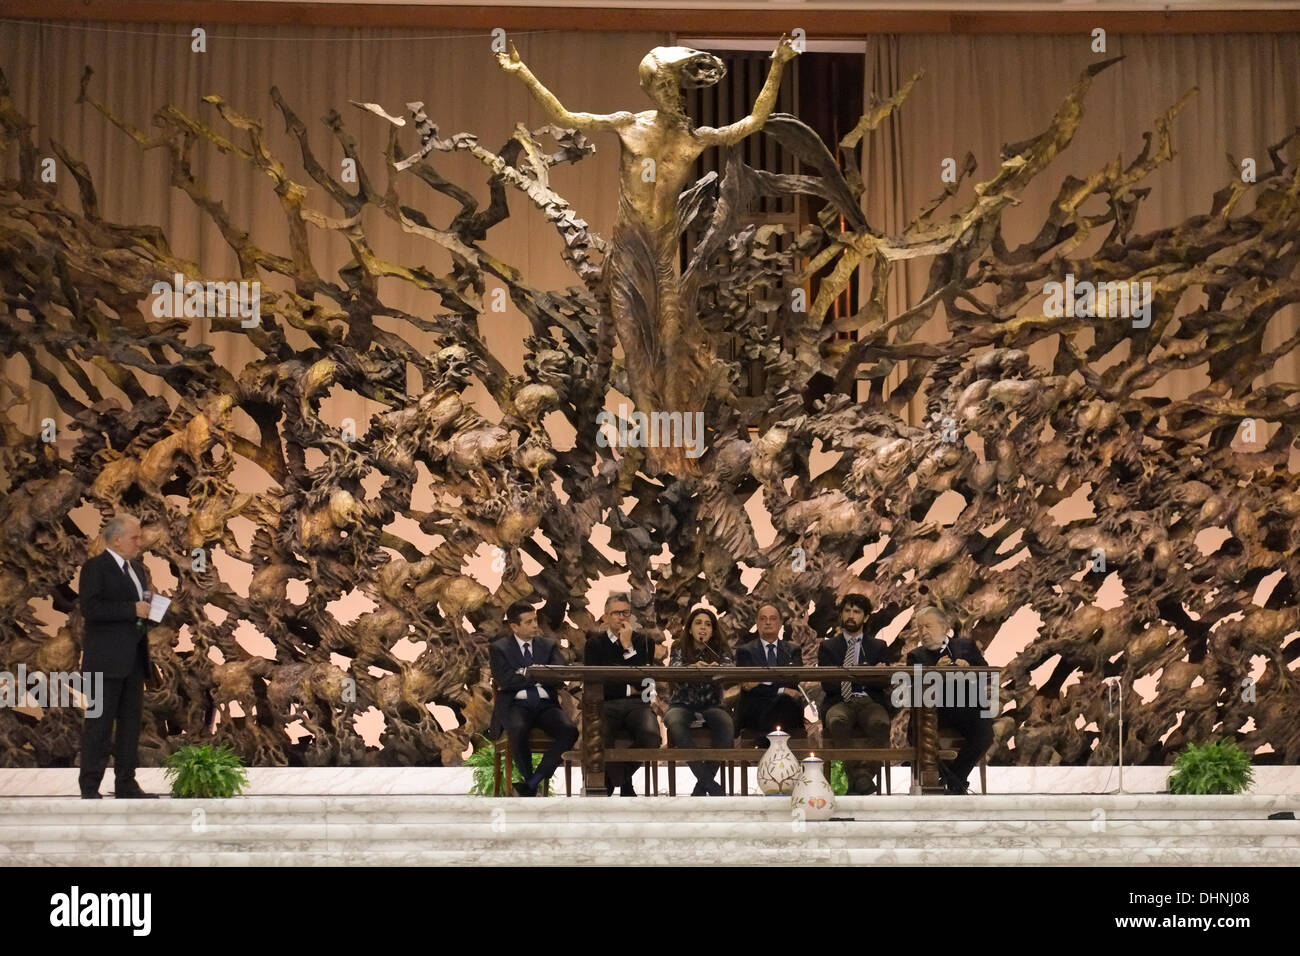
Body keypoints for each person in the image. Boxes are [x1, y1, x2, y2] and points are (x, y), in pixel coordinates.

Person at [78, 514, 162, 799]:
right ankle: (90, 786)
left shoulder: (137, 570)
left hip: (134, 660)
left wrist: (152, 610)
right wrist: (132, 609)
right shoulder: (95, 568)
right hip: (104, 662)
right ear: (116, 539)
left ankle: (126, 782)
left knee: (130, 725)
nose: (140, 542)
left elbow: (138, 610)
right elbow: (91, 609)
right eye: (135, 537)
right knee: (98, 726)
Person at [488, 601, 579, 796]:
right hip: (516, 704)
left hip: (546, 705)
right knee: (518, 727)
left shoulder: (549, 645)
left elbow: (557, 675)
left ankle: (532, 782)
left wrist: (523, 673)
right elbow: (505, 680)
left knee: (569, 731)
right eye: (528, 622)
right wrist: (537, 674)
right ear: (514, 626)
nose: (535, 625)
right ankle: (530, 780)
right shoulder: (499, 648)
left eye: (535, 620)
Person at [906, 605, 994, 795]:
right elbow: (914, 688)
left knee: (985, 734)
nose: (923, 632)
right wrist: (934, 670)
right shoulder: (916, 656)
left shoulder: (965, 646)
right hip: (936, 710)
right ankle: (954, 783)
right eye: (920, 628)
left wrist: (969, 667)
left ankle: (954, 778)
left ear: (944, 626)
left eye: (928, 626)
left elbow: (986, 673)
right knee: (919, 733)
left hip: (967, 705)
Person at [583, 592, 663, 796]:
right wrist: (629, 687)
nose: (621, 617)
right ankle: (624, 784)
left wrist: (628, 647)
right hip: (607, 704)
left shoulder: (644, 643)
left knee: (652, 736)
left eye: (625, 612)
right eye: (616, 613)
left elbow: (644, 684)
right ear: (606, 616)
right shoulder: (594, 645)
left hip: (638, 705)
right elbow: (595, 683)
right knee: (600, 734)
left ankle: (616, 779)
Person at [818, 593, 893, 795]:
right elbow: (829, 685)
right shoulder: (828, 647)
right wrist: (866, 672)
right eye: (847, 611)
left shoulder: (878, 646)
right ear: (842, 614)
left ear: (866, 617)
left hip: (870, 702)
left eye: (857, 612)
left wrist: (848, 674)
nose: (851, 615)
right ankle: (861, 777)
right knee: (837, 722)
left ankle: (861, 776)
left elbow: (883, 682)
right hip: (839, 701)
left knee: (881, 724)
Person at [663, 607, 735, 796]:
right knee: (675, 722)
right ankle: (711, 785)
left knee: (727, 724)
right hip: (682, 703)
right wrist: (692, 668)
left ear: (713, 630)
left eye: (708, 624)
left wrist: (717, 668)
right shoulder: (679, 646)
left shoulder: (719, 648)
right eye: (698, 623)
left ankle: (702, 787)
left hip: (711, 705)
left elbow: (730, 667)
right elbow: (675, 667)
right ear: (689, 629)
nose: (703, 628)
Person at [735, 603, 805, 740]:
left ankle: (764, 741)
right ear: (757, 623)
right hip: (756, 708)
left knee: (785, 700)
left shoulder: (792, 651)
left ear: (780, 623)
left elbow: (793, 680)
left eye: (772, 618)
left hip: (786, 708)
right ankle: (772, 743)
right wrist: (782, 689)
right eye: (763, 618)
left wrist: (761, 682)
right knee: (782, 697)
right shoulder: (745, 651)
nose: (768, 622)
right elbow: (749, 686)